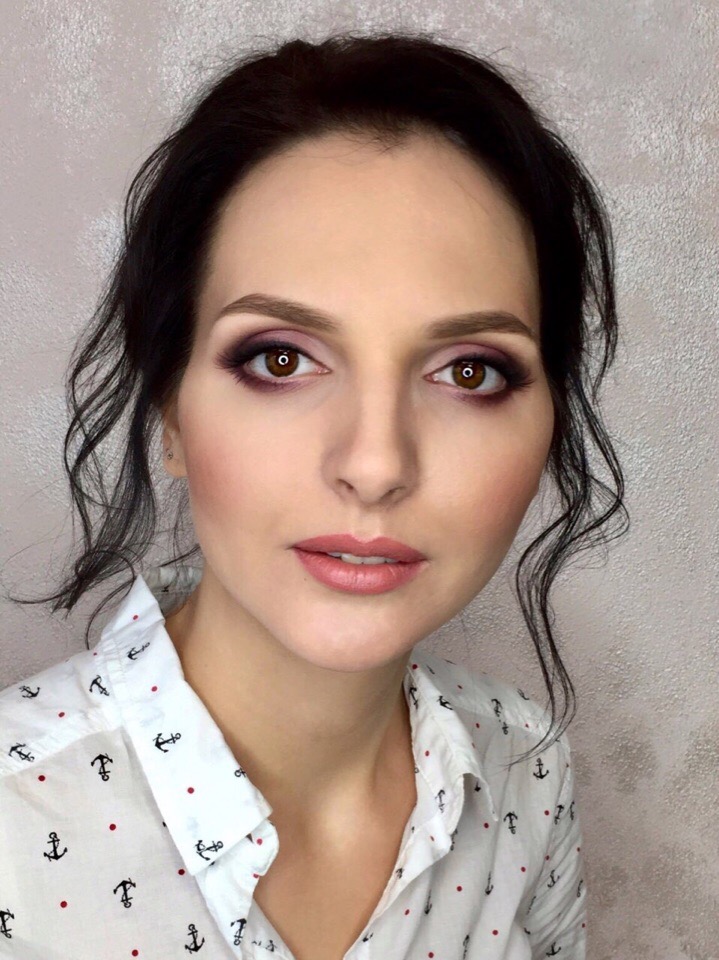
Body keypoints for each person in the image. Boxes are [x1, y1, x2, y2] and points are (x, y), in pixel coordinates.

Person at [0, 31, 627, 960]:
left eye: (469, 371)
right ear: (169, 410)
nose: (374, 464)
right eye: (281, 360)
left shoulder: (522, 764)